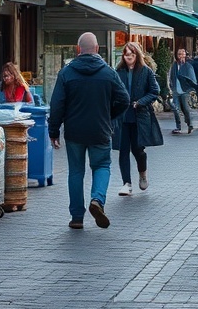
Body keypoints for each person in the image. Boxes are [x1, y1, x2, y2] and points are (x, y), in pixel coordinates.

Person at [49, 32, 129, 229]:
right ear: (97, 49)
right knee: (101, 166)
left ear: (78, 50)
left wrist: (53, 130)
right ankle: (97, 200)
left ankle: (77, 217)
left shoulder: (66, 73)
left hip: (74, 132)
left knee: (76, 172)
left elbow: (57, 104)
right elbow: (125, 100)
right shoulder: (108, 73)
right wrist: (110, 115)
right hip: (100, 130)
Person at [112, 42, 162, 196]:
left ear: (137, 55)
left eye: (132, 55)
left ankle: (142, 174)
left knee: (138, 150)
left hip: (139, 117)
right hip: (122, 117)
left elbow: (155, 91)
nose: (129, 57)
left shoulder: (146, 71)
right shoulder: (118, 71)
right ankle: (126, 184)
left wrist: (141, 102)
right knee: (123, 150)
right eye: (126, 55)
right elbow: (111, 91)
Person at [168, 48, 196, 135]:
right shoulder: (174, 65)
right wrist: (171, 88)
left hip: (185, 90)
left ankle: (189, 124)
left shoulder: (188, 66)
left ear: (185, 55)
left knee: (185, 108)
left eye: (182, 54)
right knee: (176, 109)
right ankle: (178, 127)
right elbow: (171, 77)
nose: (180, 56)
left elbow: (192, 77)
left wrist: (192, 89)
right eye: (179, 54)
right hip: (176, 89)